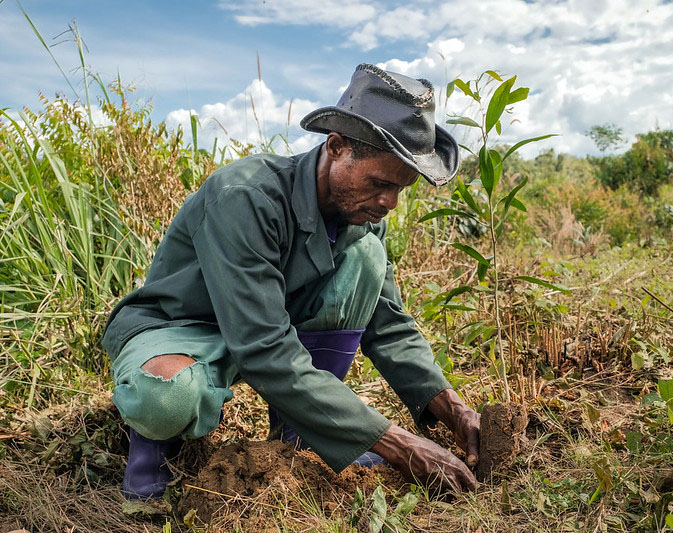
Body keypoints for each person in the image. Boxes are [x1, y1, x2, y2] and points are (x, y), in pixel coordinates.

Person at [102, 64, 481, 500]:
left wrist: (452, 408)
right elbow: (264, 346)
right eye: (379, 183)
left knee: (365, 256)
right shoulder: (246, 196)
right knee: (165, 398)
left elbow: (389, 326)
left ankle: (302, 435)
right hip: (183, 329)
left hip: (269, 332)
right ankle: (155, 452)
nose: (390, 202)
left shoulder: (361, 218)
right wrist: (397, 443)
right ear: (336, 148)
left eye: (401, 188)